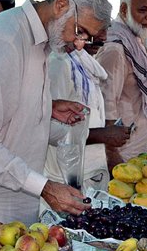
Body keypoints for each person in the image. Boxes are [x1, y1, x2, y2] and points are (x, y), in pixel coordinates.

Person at [0, 0, 112, 251]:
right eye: (80, 30)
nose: (81, 42)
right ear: (61, 5)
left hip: (11, 204)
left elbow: (9, 113)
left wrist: (46, 105)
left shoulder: (40, 42)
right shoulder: (6, 40)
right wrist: (45, 187)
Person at [44, 27, 132, 193]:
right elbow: (49, 130)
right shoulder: (59, 63)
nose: (103, 36)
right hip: (67, 179)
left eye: (106, 28)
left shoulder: (86, 63)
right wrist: (103, 135)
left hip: (90, 171)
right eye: (96, 27)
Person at [96, 0, 147, 170]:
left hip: (144, 149)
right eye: (143, 10)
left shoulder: (135, 38)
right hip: (125, 156)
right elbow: (105, 102)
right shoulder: (115, 47)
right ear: (124, 9)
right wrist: (111, 154)